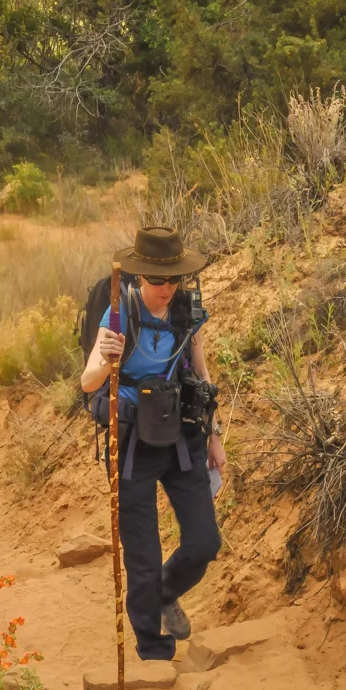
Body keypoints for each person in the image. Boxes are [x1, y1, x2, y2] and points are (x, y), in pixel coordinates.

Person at [81, 226, 226, 661]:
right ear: (140, 277)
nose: (167, 288)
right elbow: (87, 383)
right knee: (142, 558)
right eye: (158, 280)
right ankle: (154, 651)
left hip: (182, 436)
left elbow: (201, 377)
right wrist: (105, 359)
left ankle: (165, 593)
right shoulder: (117, 315)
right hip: (132, 446)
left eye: (174, 279)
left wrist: (215, 435)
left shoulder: (185, 311)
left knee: (205, 542)